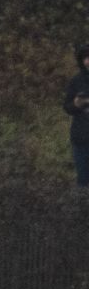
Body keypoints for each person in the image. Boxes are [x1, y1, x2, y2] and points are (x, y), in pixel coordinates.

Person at [66, 43, 89, 189]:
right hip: (81, 137)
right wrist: (76, 104)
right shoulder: (76, 80)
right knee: (83, 181)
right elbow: (67, 107)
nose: (88, 61)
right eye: (85, 57)